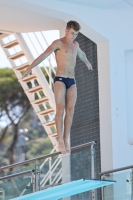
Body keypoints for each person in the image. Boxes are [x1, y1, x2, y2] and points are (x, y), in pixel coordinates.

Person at [22, 20, 93, 155]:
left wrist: (87, 62)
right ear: (66, 30)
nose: (74, 36)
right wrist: (29, 68)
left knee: (70, 110)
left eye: (76, 34)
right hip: (60, 79)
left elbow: (81, 54)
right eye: (72, 33)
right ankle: (60, 140)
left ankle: (66, 139)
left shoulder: (75, 44)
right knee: (60, 109)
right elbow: (43, 55)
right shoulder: (58, 43)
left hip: (72, 80)